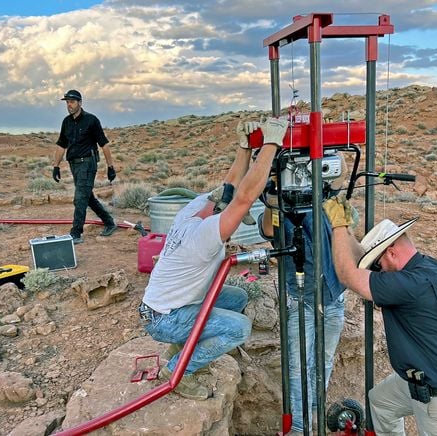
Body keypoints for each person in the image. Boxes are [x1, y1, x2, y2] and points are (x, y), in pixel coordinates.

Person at [140, 117, 289, 401]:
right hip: (164, 319)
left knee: (236, 298)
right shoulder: (204, 235)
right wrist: (271, 144)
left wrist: (244, 148)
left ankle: (182, 348)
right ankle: (177, 371)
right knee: (239, 328)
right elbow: (243, 198)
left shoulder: (194, 210)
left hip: (165, 305)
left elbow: (231, 187)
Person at [322, 197, 437, 436]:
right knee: (380, 402)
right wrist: (346, 229)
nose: (378, 272)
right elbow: (361, 265)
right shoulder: (423, 267)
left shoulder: (409, 284)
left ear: (391, 253)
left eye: (379, 264)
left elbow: (349, 276)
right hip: (425, 379)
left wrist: (336, 227)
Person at [258, 165, 347, 435]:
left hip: (333, 295)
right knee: (298, 365)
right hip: (300, 299)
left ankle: (315, 412)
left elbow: (340, 177)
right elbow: (269, 231)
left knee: (325, 359)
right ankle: (299, 426)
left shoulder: (325, 201)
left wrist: (331, 164)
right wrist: (273, 200)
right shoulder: (280, 207)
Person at [51, 89, 117, 245]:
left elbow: (104, 144)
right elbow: (61, 145)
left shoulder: (91, 120)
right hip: (74, 164)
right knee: (87, 197)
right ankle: (109, 222)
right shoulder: (66, 122)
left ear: (80, 103)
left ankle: (76, 233)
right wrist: (56, 166)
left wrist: (110, 167)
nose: (69, 105)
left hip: (88, 163)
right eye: (67, 102)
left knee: (80, 198)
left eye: (72, 102)